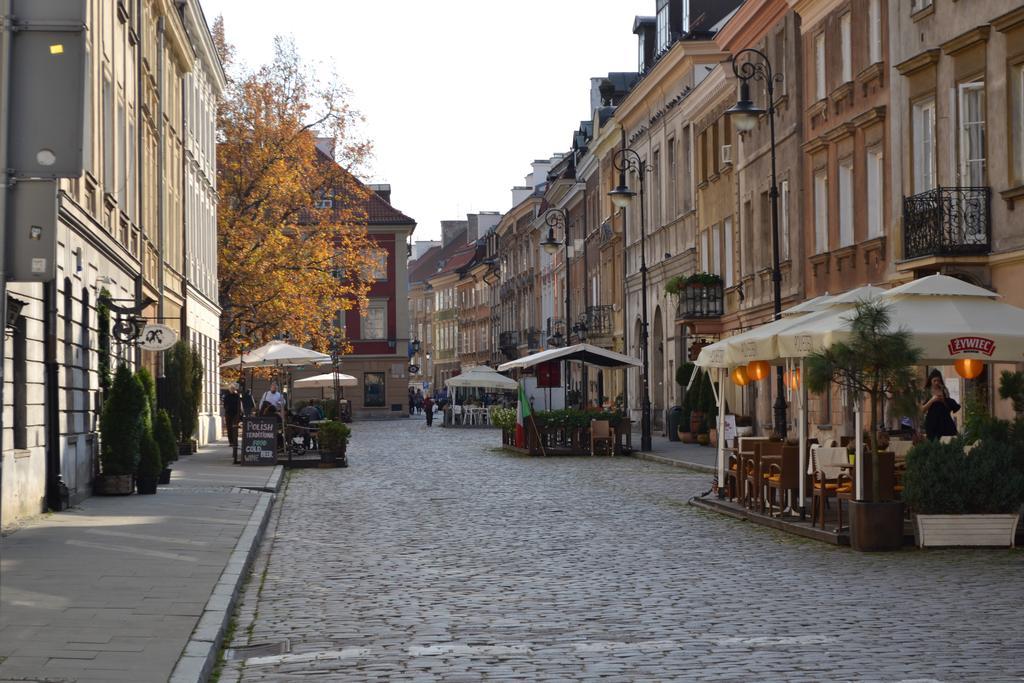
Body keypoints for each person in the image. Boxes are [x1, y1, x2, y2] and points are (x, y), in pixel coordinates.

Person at [922, 370, 960, 441]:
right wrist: (932, 400)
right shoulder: (926, 391)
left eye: (938, 381)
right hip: (932, 422)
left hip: (945, 421)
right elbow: (922, 410)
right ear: (931, 381)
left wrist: (944, 400)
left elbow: (950, 408)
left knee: (949, 441)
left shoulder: (944, 390)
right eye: (934, 381)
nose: (936, 383)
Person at [223, 383, 242, 464]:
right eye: (231, 389)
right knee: (229, 428)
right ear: (229, 389)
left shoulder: (237, 396)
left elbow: (239, 404)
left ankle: (234, 441)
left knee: (235, 428)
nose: (232, 390)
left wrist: (239, 412)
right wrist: (227, 409)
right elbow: (225, 404)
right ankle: (231, 441)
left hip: (235, 414)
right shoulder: (226, 396)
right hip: (228, 413)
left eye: (233, 389)